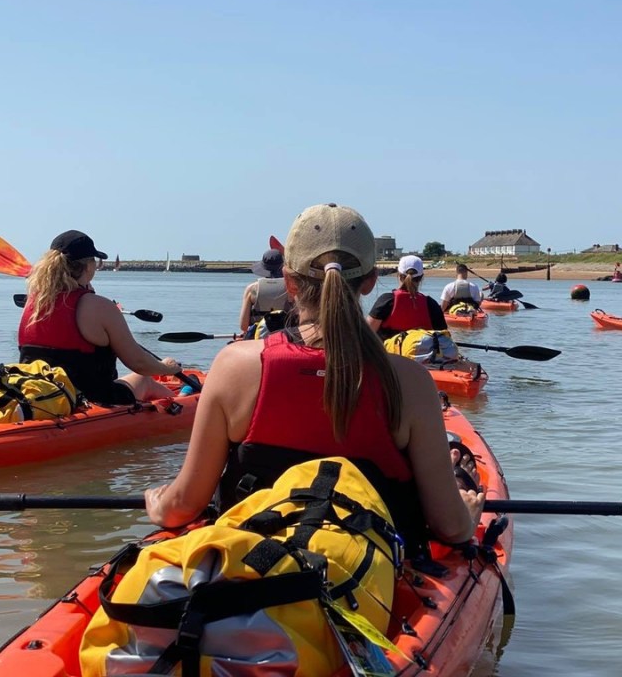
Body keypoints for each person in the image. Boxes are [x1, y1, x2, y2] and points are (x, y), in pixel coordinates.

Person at [145, 203, 483, 550]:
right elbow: (450, 527)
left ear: (290, 282)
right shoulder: (411, 382)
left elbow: (183, 506)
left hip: (252, 564)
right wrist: (468, 513)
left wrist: (158, 503)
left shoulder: (234, 365)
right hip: (363, 581)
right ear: (368, 283)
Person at [17, 230, 184, 405]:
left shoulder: (33, 303)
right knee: (145, 381)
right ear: (89, 265)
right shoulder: (100, 307)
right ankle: (185, 404)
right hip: (91, 399)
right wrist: (167, 368)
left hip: (38, 397)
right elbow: (139, 364)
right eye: (95, 261)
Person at [366, 254, 448, 339]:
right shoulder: (431, 304)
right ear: (421, 278)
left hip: (386, 352)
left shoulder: (386, 300)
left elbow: (365, 335)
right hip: (423, 352)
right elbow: (445, 340)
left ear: (399, 275)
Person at [238, 248, 292, 334]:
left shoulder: (251, 289)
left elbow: (243, 326)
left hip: (258, 337)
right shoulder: (291, 288)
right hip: (285, 336)